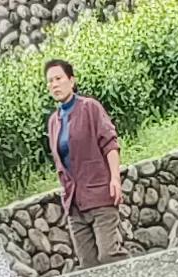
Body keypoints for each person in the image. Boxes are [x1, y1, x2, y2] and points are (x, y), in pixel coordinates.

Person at [45, 61, 125, 266]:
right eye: (50, 81)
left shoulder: (90, 108)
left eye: (59, 79)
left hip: (99, 195)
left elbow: (110, 144)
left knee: (109, 256)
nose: (55, 85)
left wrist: (115, 179)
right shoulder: (54, 121)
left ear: (71, 81)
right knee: (88, 265)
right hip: (74, 203)